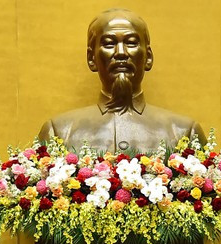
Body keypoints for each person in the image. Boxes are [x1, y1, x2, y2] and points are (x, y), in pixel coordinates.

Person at [38, 8, 205, 152]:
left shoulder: (183, 132)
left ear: (148, 57)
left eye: (131, 43)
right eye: (109, 44)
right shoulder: (60, 132)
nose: (121, 53)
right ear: (91, 58)